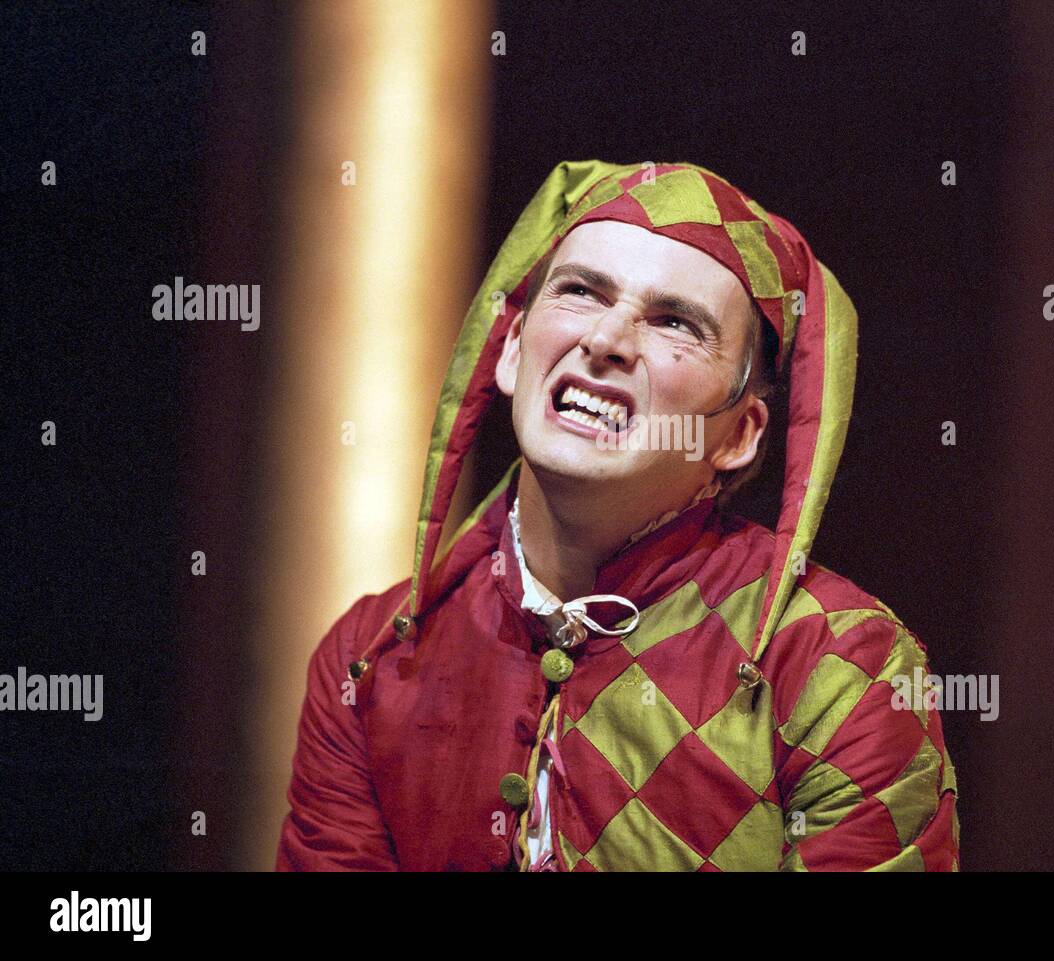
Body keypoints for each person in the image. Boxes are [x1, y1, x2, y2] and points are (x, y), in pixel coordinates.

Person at [276, 160, 960, 871]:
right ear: (510, 351)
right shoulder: (373, 654)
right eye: (579, 291)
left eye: (675, 323)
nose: (606, 339)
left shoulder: (838, 669)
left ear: (739, 434)